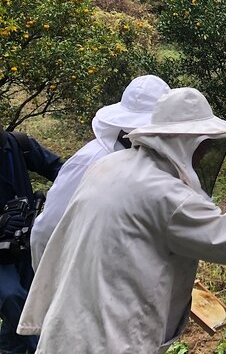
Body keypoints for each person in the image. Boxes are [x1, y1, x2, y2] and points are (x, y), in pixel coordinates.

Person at [17, 88, 226, 353]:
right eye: (203, 145)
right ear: (184, 140)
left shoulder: (110, 167)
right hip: (112, 338)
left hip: (67, 327)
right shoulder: (163, 194)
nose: (204, 154)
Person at [30, 74, 170, 270]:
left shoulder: (148, 163)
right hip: (80, 279)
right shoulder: (90, 160)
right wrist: (48, 289)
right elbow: (46, 231)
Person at [0, 126, 62, 354]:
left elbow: (61, 171)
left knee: (33, 301)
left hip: (27, 243)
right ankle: (47, 348)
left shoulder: (18, 144)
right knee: (13, 297)